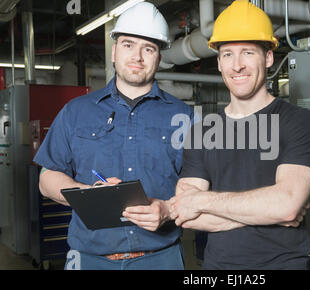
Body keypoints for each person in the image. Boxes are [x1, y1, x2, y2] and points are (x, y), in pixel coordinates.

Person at [33, 2, 192, 270]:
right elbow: (47, 179)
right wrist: (89, 194)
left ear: (159, 57)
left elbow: (197, 186)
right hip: (91, 259)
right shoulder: (75, 112)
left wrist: (168, 209)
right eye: (129, 45)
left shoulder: (184, 117)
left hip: (161, 259)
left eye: (148, 48)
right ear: (114, 51)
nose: (138, 56)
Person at [169, 0, 310, 270]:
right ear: (218, 62)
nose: (237, 65)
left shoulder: (298, 121)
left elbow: (286, 207)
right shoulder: (201, 131)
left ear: (269, 57)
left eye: (248, 52)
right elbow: (185, 214)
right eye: (227, 54)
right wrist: (269, 211)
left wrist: (203, 201)